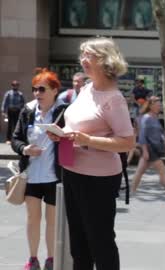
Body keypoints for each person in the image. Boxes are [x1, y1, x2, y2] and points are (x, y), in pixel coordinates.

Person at [48, 37, 135, 270]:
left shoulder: (114, 99)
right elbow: (76, 124)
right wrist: (61, 133)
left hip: (99, 179)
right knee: (78, 244)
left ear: (106, 60)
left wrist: (88, 141)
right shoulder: (86, 89)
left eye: (90, 55)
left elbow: (127, 142)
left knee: (101, 242)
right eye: (82, 54)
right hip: (72, 170)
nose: (83, 60)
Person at [11, 68, 68, 270]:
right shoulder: (27, 111)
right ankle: (32, 259)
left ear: (54, 90)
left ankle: (51, 259)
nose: (37, 93)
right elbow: (15, 139)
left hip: (55, 177)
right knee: (32, 219)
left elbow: (73, 139)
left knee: (52, 221)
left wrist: (61, 137)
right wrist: (25, 149)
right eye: (35, 89)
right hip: (31, 176)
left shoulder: (65, 111)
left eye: (42, 89)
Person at [131, 96, 165, 194]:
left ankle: (132, 192)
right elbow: (142, 135)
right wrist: (145, 151)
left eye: (160, 105)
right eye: (157, 105)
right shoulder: (146, 118)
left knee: (140, 171)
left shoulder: (155, 118)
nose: (160, 107)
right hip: (149, 149)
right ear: (151, 106)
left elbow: (160, 134)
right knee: (162, 170)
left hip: (154, 148)